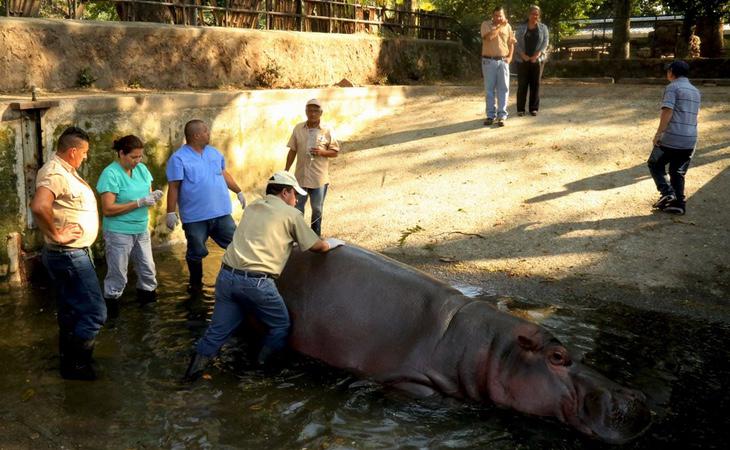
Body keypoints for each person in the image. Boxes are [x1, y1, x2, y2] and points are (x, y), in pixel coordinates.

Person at [184, 171, 339, 381]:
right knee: (280, 325)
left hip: (226, 277)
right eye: (295, 195)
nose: (296, 201)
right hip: (256, 283)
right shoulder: (291, 214)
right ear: (285, 192)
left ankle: (189, 378)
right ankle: (259, 373)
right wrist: (333, 243)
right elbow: (317, 246)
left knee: (216, 333)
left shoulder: (253, 207)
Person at [30, 127, 105, 380]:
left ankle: (67, 364)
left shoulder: (65, 170)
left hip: (70, 253)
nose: (85, 157)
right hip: (69, 254)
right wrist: (58, 234)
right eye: (84, 153)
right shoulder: (55, 173)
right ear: (73, 151)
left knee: (71, 311)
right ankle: (79, 366)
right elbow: (39, 206)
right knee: (95, 312)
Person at [165, 119, 246, 291]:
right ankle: (195, 284)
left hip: (221, 213)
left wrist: (238, 191)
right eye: (205, 131)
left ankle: (240, 280)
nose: (209, 134)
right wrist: (170, 212)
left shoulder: (214, 153)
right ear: (196, 135)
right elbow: (174, 187)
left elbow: (224, 173)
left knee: (238, 245)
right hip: (195, 217)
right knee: (196, 252)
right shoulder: (179, 158)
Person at [96, 135, 164, 318]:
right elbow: (108, 209)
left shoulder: (142, 170)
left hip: (141, 228)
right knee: (118, 275)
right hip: (119, 232)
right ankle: (112, 313)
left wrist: (153, 197)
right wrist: (139, 202)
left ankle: (148, 311)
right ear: (121, 153)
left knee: (148, 269)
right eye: (134, 157)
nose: (138, 160)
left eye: (140, 156)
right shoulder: (110, 174)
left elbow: (146, 194)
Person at [648, 60, 701, 216]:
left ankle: (667, 192)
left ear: (671, 72)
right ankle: (679, 203)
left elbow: (667, 111)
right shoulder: (695, 91)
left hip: (672, 137)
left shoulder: (672, 88)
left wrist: (659, 133)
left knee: (654, 163)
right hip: (690, 139)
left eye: (668, 71)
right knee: (677, 171)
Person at [284, 98, 340, 236]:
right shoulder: (298, 128)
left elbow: (335, 152)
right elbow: (292, 150)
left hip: (318, 179)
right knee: (297, 209)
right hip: (300, 178)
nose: (313, 113)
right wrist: (286, 170)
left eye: (316, 111)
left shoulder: (327, 130)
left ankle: (315, 237)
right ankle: (299, 237)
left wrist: (322, 152)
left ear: (321, 113)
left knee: (317, 209)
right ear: (306, 112)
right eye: (310, 110)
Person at [481, 6, 515, 127]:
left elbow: (511, 43)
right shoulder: (485, 24)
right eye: (496, 15)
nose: (499, 18)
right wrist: (500, 26)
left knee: (504, 89)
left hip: (503, 61)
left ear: (504, 15)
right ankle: (490, 116)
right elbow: (489, 37)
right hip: (489, 61)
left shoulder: (508, 27)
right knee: (489, 90)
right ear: (493, 15)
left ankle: (502, 116)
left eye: (501, 15)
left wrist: (510, 58)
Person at [514, 5, 549, 117]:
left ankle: (533, 108)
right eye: (533, 13)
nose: (534, 16)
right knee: (522, 85)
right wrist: (522, 55)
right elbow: (515, 43)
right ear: (528, 15)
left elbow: (545, 42)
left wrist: (537, 55)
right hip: (522, 60)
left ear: (539, 16)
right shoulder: (520, 28)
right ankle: (520, 109)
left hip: (537, 60)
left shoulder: (543, 28)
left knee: (535, 85)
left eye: (537, 14)